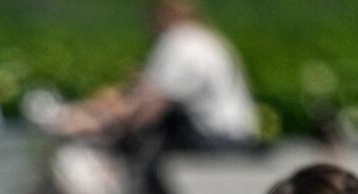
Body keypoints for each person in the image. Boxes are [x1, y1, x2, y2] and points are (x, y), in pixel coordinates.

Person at [56, 0, 258, 152]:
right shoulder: (203, 38)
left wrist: (96, 123)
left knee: (141, 141)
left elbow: (150, 104)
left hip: (215, 138)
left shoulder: (180, 42)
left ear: (161, 13)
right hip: (236, 133)